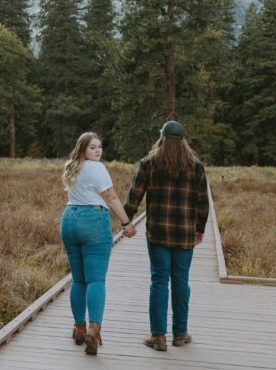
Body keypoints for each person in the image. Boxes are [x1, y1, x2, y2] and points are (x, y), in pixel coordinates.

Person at [123, 120, 209, 351]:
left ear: (161, 137)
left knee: (159, 281)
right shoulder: (196, 166)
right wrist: (200, 229)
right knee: (181, 281)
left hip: (158, 233)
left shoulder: (149, 163)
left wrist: (126, 220)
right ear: (183, 140)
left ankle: (158, 336)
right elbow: (203, 202)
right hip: (184, 234)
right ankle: (180, 334)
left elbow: (135, 196)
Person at [60, 132, 136, 355]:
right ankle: (94, 329)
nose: (98, 151)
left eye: (100, 147)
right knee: (95, 279)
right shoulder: (97, 168)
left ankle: (79, 328)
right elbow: (110, 197)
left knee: (79, 279)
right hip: (92, 221)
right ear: (83, 148)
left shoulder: (70, 166)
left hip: (69, 220)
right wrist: (126, 223)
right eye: (93, 147)